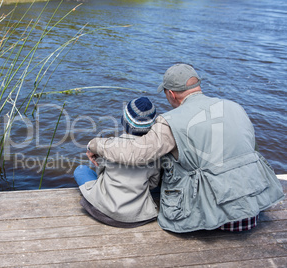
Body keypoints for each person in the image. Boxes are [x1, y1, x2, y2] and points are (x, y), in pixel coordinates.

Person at [86, 63, 285, 233]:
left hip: (213, 220)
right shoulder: (235, 107)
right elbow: (254, 150)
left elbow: (135, 153)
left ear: (171, 94)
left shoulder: (171, 121)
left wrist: (96, 144)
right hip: (251, 212)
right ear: (197, 86)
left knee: (163, 155)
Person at [74, 97, 160, 228]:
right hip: (135, 217)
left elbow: (100, 170)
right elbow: (153, 184)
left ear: (123, 121)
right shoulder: (154, 154)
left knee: (81, 170)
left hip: (101, 210)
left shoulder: (110, 146)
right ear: (151, 127)